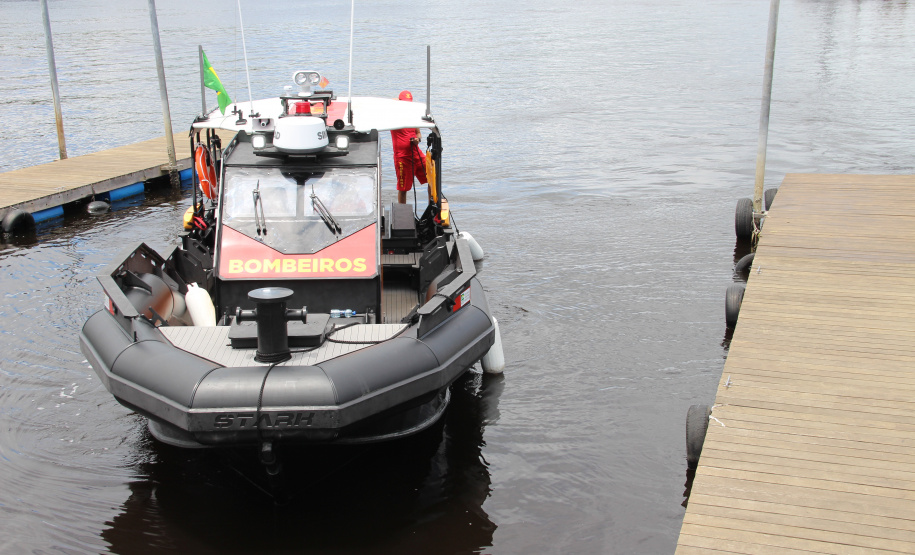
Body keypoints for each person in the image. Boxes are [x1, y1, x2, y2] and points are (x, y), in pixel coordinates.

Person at [391, 90, 428, 204]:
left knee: (432, 177)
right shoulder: (393, 115)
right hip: (402, 157)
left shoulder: (413, 116)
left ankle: (431, 205)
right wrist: (399, 102)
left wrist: (418, 140)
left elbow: (418, 133)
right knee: (403, 188)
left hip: (416, 153)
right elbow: (389, 102)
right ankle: (402, 211)